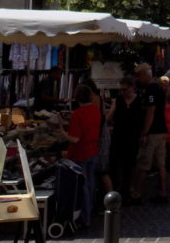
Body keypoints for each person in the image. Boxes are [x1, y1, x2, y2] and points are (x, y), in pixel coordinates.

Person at [59, 83, 100, 227]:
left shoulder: (77, 114)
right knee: (90, 183)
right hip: (93, 150)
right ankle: (90, 212)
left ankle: (85, 217)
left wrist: (63, 133)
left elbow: (75, 139)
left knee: (83, 187)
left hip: (80, 153)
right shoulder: (96, 110)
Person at [131, 63, 169, 204]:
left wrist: (145, 133)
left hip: (153, 131)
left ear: (144, 75)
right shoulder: (158, 87)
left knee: (143, 163)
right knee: (161, 164)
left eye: (139, 76)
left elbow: (150, 111)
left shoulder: (151, 88)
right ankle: (163, 192)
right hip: (161, 130)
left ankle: (136, 194)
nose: (138, 79)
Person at [106, 75, 142, 198]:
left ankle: (127, 190)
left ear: (132, 88)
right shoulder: (118, 100)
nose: (122, 92)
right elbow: (109, 116)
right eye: (120, 89)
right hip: (118, 137)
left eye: (125, 89)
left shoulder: (139, 101)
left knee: (130, 165)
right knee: (116, 164)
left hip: (133, 138)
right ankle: (118, 189)